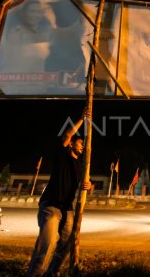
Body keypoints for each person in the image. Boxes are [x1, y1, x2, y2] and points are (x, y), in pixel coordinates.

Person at [27, 107, 91, 277]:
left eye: (83, 144)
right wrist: (82, 119)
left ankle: (52, 272)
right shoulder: (62, 155)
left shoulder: (81, 166)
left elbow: (84, 183)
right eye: (79, 143)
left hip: (67, 209)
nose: (82, 145)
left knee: (67, 243)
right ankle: (34, 274)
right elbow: (68, 135)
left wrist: (88, 184)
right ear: (71, 145)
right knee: (46, 245)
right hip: (51, 206)